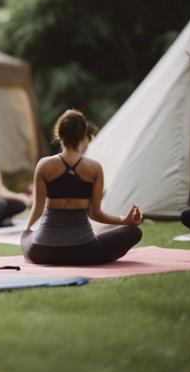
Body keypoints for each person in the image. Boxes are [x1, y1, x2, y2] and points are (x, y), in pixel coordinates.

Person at [20, 109, 143, 265]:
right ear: (83, 135)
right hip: (84, 251)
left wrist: (28, 229)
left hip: (42, 251)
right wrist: (124, 220)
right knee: (134, 232)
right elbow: (95, 214)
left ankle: (31, 238)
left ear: (59, 133)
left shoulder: (44, 165)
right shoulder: (94, 168)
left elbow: (38, 207)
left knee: (26, 236)